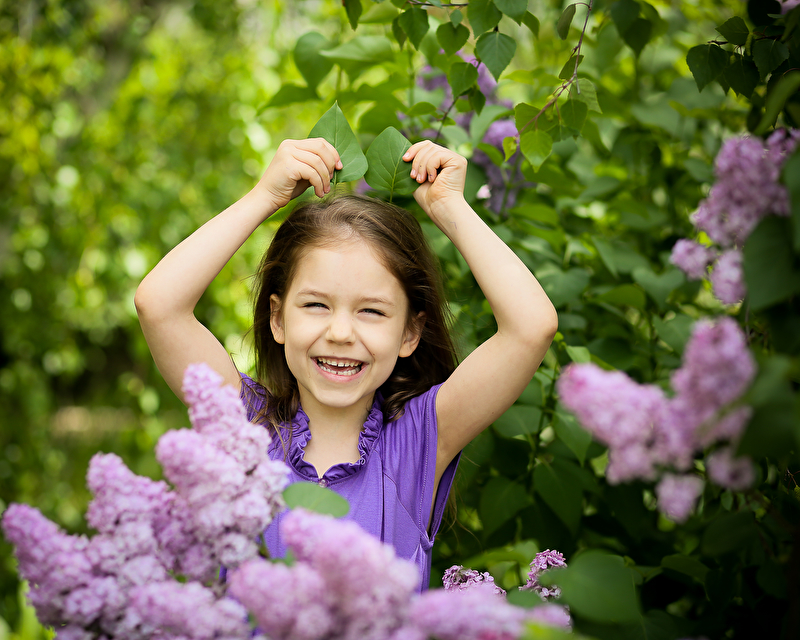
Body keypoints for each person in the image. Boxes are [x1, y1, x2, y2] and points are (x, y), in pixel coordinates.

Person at [134, 138, 558, 589]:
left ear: (409, 333)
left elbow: (531, 327)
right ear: (277, 318)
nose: (340, 332)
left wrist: (450, 207)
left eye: (371, 311)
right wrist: (264, 197)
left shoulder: (418, 444)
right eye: (316, 305)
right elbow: (159, 306)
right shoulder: (242, 428)